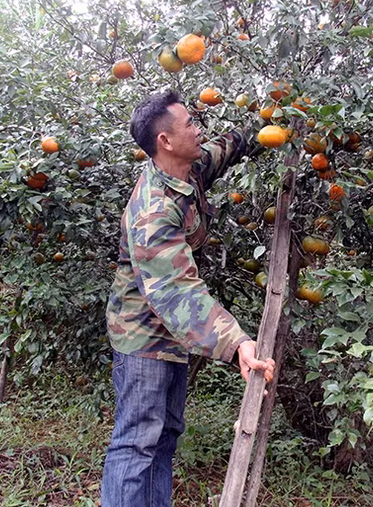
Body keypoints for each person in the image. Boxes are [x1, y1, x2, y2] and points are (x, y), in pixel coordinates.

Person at [101, 90, 275, 506]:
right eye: (190, 124)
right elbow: (176, 291)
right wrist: (236, 342)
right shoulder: (153, 211)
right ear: (165, 141)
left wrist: (271, 122)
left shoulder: (187, 169)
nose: (198, 130)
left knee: (164, 437)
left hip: (174, 334)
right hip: (143, 336)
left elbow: (227, 147)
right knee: (137, 442)